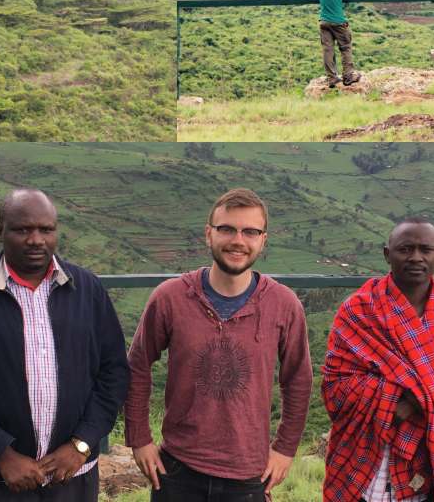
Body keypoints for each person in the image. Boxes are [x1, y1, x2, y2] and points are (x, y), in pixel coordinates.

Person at [0, 188, 130, 502]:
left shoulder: (88, 289)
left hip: (73, 478)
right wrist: (2, 454)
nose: (36, 239)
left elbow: (113, 374)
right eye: (23, 229)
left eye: (46, 229)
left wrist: (82, 446)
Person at [124, 188, 312, 502]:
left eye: (250, 232)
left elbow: (298, 380)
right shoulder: (170, 297)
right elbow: (138, 365)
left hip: (250, 474)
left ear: (262, 240)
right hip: (178, 469)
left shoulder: (284, 304)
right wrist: (139, 437)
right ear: (209, 235)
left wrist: (285, 448)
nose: (238, 241)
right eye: (227, 229)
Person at [322, 218, 434, 502]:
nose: (416, 257)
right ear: (388, 254)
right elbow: (336, 387)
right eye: (406, 249)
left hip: (433, 460)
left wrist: (414, 401)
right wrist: (393, 399)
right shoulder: (358, 310)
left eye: (425, 249)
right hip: (368, 456)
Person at [317, 0, 354, 86]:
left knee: (327, 50)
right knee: (345, 47)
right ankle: (348, 77)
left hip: (324, 22)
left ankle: (331, 78)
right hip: (338, 22)